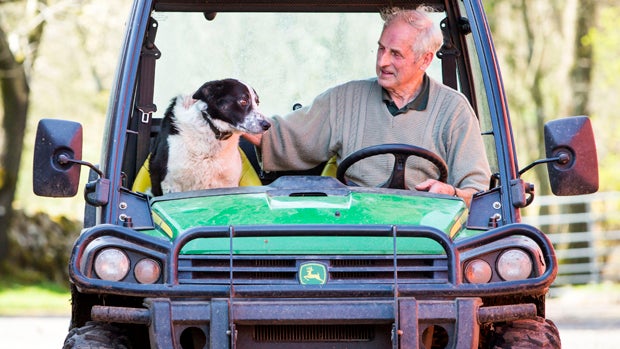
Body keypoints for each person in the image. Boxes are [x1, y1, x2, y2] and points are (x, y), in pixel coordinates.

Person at [244, 6, 491, 207]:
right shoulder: (344, 99)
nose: (382, 60)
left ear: (425, 59)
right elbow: (282, 135)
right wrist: (224, 116)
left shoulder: (454, 110)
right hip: (356, 228)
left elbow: (478, 192)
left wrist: (450, 193)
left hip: (427, 232)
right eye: (381, 48)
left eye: (395, 54)